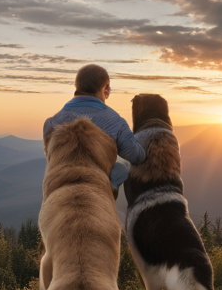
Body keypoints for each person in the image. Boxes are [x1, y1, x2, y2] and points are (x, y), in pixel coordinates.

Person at [43, 64, 146, 198]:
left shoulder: (51, 123)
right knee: (121, 168)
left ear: (77, 87)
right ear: (105, 88)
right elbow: (137, 156)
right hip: (97, 188)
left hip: (56, 188)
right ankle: (112, 187)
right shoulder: (116, 122)